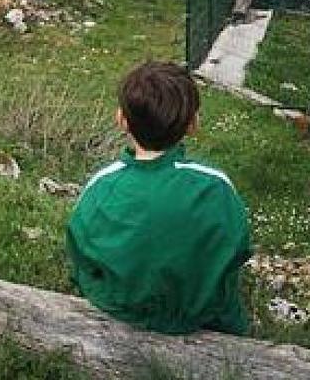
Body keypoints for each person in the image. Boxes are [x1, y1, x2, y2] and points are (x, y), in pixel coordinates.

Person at [66, 61, 252, 335]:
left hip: (118, 307)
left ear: (121, 120)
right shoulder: (215, 186)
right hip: (202, 318)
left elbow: (78, 250)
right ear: (192, 124)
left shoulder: (103, 185)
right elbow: (238, 247)